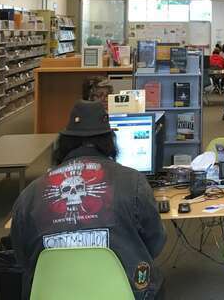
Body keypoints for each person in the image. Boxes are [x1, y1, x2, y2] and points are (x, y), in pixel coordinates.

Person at [10, 101, 166, 299]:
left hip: (51, 293)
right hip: (123, 293)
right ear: (110, 142)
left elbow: (22, 257)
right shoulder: (134, 182)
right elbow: (155, 242)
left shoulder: (30, 193)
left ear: (64, 142)